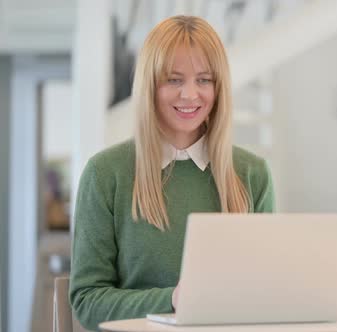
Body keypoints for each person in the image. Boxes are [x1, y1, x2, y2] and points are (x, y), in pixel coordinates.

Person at [69, 15, 275, 331]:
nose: (190, 95)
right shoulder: (105, 174)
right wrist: (175, 299)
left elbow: (265, 291)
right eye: (174, 80)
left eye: (204, 80)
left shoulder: (252, 174)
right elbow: (87, 301)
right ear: (150, 84)